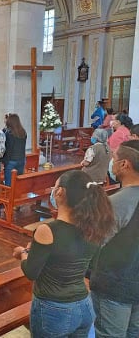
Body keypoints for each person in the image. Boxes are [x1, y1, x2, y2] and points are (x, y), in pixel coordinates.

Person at [13, 170, 115, 338]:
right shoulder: (94, 228)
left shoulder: (48, 230)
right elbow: (90, 267)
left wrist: (23, 253)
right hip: (84, 305)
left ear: (60, 191)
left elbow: (31, 272)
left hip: (53, 309)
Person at [90, 140, 139, 338]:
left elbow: (95, 242)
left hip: (115, 285)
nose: (112, 162)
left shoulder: (118, 202)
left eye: (114, 158)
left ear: (125, 164)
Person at [2, 113, 27, 186]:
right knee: (18, 183)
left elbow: (7, 148)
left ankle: (10, 197)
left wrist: (3, 161)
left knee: (9, 184)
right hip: (21, 159)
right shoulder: (23, 132)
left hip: (11, 161)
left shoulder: (9, 133)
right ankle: (17, 197)